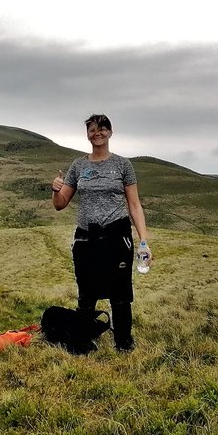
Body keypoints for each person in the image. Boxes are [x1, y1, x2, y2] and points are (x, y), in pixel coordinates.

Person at [51, 114, 152, 351]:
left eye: (102, 129)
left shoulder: (122, 165)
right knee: (86, 292)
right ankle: (83, 341)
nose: (97, 133)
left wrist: (144, 240)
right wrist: (56, 190)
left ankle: (124, 343)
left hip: (117, 235)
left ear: (110, 132)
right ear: (87, 134)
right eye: (92, 129)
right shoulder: (78, 166)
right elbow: (60, 203)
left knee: (120, 292)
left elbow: (134, 205)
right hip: (86, 237)